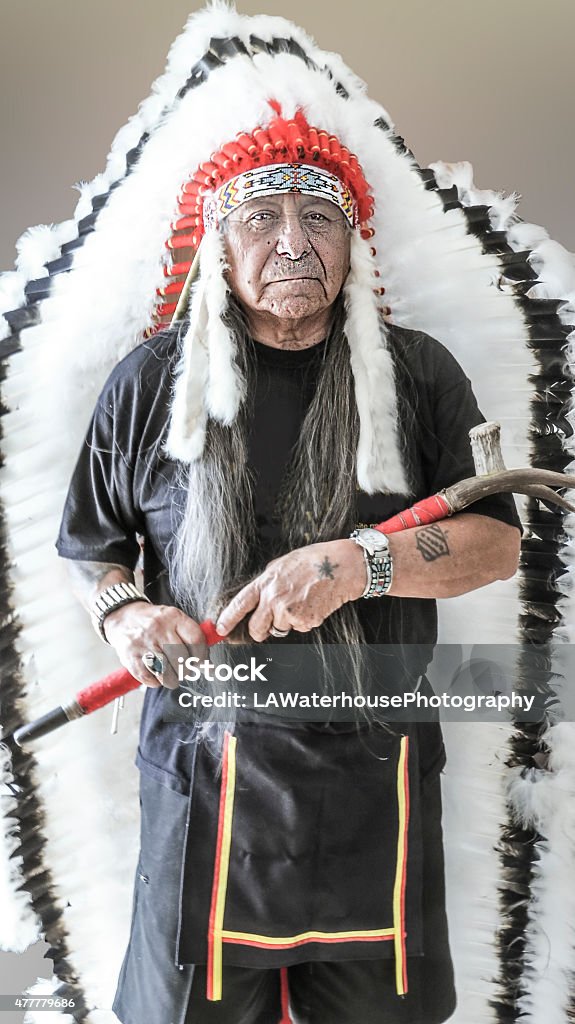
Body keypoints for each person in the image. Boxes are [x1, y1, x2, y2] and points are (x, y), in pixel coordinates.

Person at [54, 20, 522, 1024]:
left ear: (354, 243)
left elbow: (494, 542)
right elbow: (97, 550)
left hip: (375, 782)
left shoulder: (419, 373)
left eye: (320, 217)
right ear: (214, 246)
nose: (294, 242)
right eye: (261, 217)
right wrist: (129, 616)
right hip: (203, 784)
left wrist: (361, 564)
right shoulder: (145, 388)